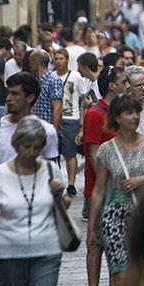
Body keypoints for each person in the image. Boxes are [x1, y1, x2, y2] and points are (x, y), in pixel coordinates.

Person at [0, 117, 70, 286]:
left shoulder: (50, 170)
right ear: (16, 145)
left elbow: (64, 205)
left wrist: (59, 194)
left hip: (47, 251)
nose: (31, 153)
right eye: (26, 147)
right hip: (10, 253)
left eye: (36, 148)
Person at [87, 93, 144, 286]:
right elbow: (99, 190)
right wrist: (92, 226)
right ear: (117, 118)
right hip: (115, 214)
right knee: (119, 268)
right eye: (128, 112)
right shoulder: (107, 150)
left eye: (136, 112)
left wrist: (143, 179)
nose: (134, 117)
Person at [83, 64, 128, 286]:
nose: (127, 85)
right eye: (123, 81)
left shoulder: (119, 113)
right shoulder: (95, 114)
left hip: (120, 190)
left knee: (116, 242)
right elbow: (93, 155)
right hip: (99, 189)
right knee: (96, 243)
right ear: (112, 85)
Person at [0, 72, 58, 178]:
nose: (8, 99)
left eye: (15, 94)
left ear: (30, 97)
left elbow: (51, 172)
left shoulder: (47, 131)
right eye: (8, 93)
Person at [53, 49, 87, 196]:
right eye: (56, 58)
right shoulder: (51, 77)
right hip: (56, 117)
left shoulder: (75, 76)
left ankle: (71, 183)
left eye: (61, 58)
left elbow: (84, 97)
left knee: (70, 152)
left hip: (71, 117)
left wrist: (81, 121)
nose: (58, 61)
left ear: (66, 60)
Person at [29, 50, 63, 131]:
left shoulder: (53, 80)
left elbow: (57, 109)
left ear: (35, 63)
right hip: (37, 130)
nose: (29, 65)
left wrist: (53, 131)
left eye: (30, 62)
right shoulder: (37, 81)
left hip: (48, 130)